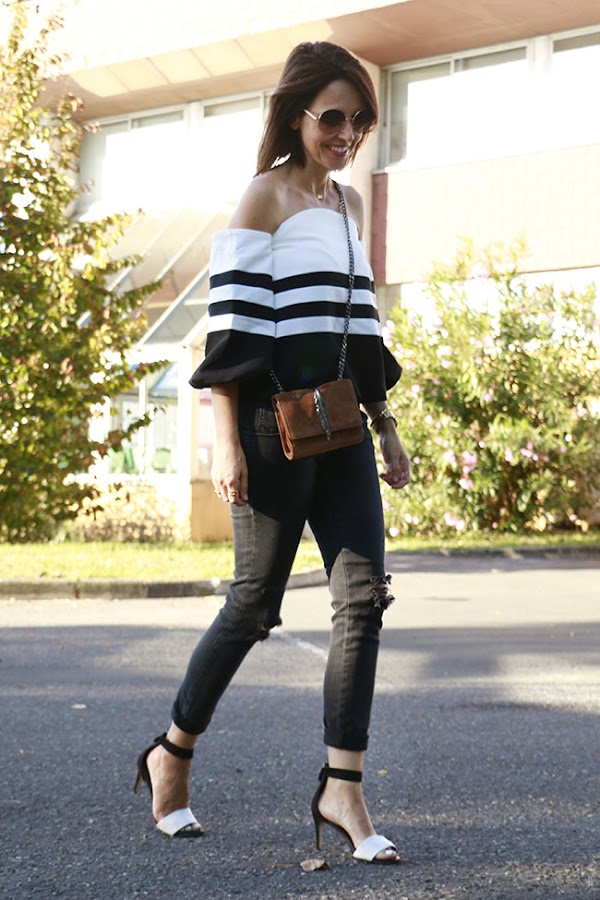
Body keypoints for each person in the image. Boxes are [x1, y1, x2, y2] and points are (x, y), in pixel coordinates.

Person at [134, 40, 410, 864]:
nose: (346, 134)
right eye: (333, 118)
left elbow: (361, 326)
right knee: (254, 606)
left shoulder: (347, 205)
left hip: (341, 425)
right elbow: (230, 332)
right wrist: (225, 444)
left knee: (362, 598)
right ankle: (171, 754)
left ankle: (343, 787)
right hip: (267, 427)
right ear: (297, 116)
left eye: (359, 122)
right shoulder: (264, 198)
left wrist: (386, 423)